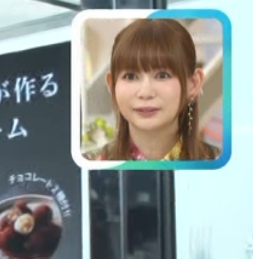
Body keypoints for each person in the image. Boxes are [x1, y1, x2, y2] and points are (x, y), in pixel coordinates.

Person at [88, 18, 220, 162]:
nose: (145, 93)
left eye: (162, 76)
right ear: (112, 84)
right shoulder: (89, 164)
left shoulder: (220, 163)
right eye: (130, 76)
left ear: (193, 84)